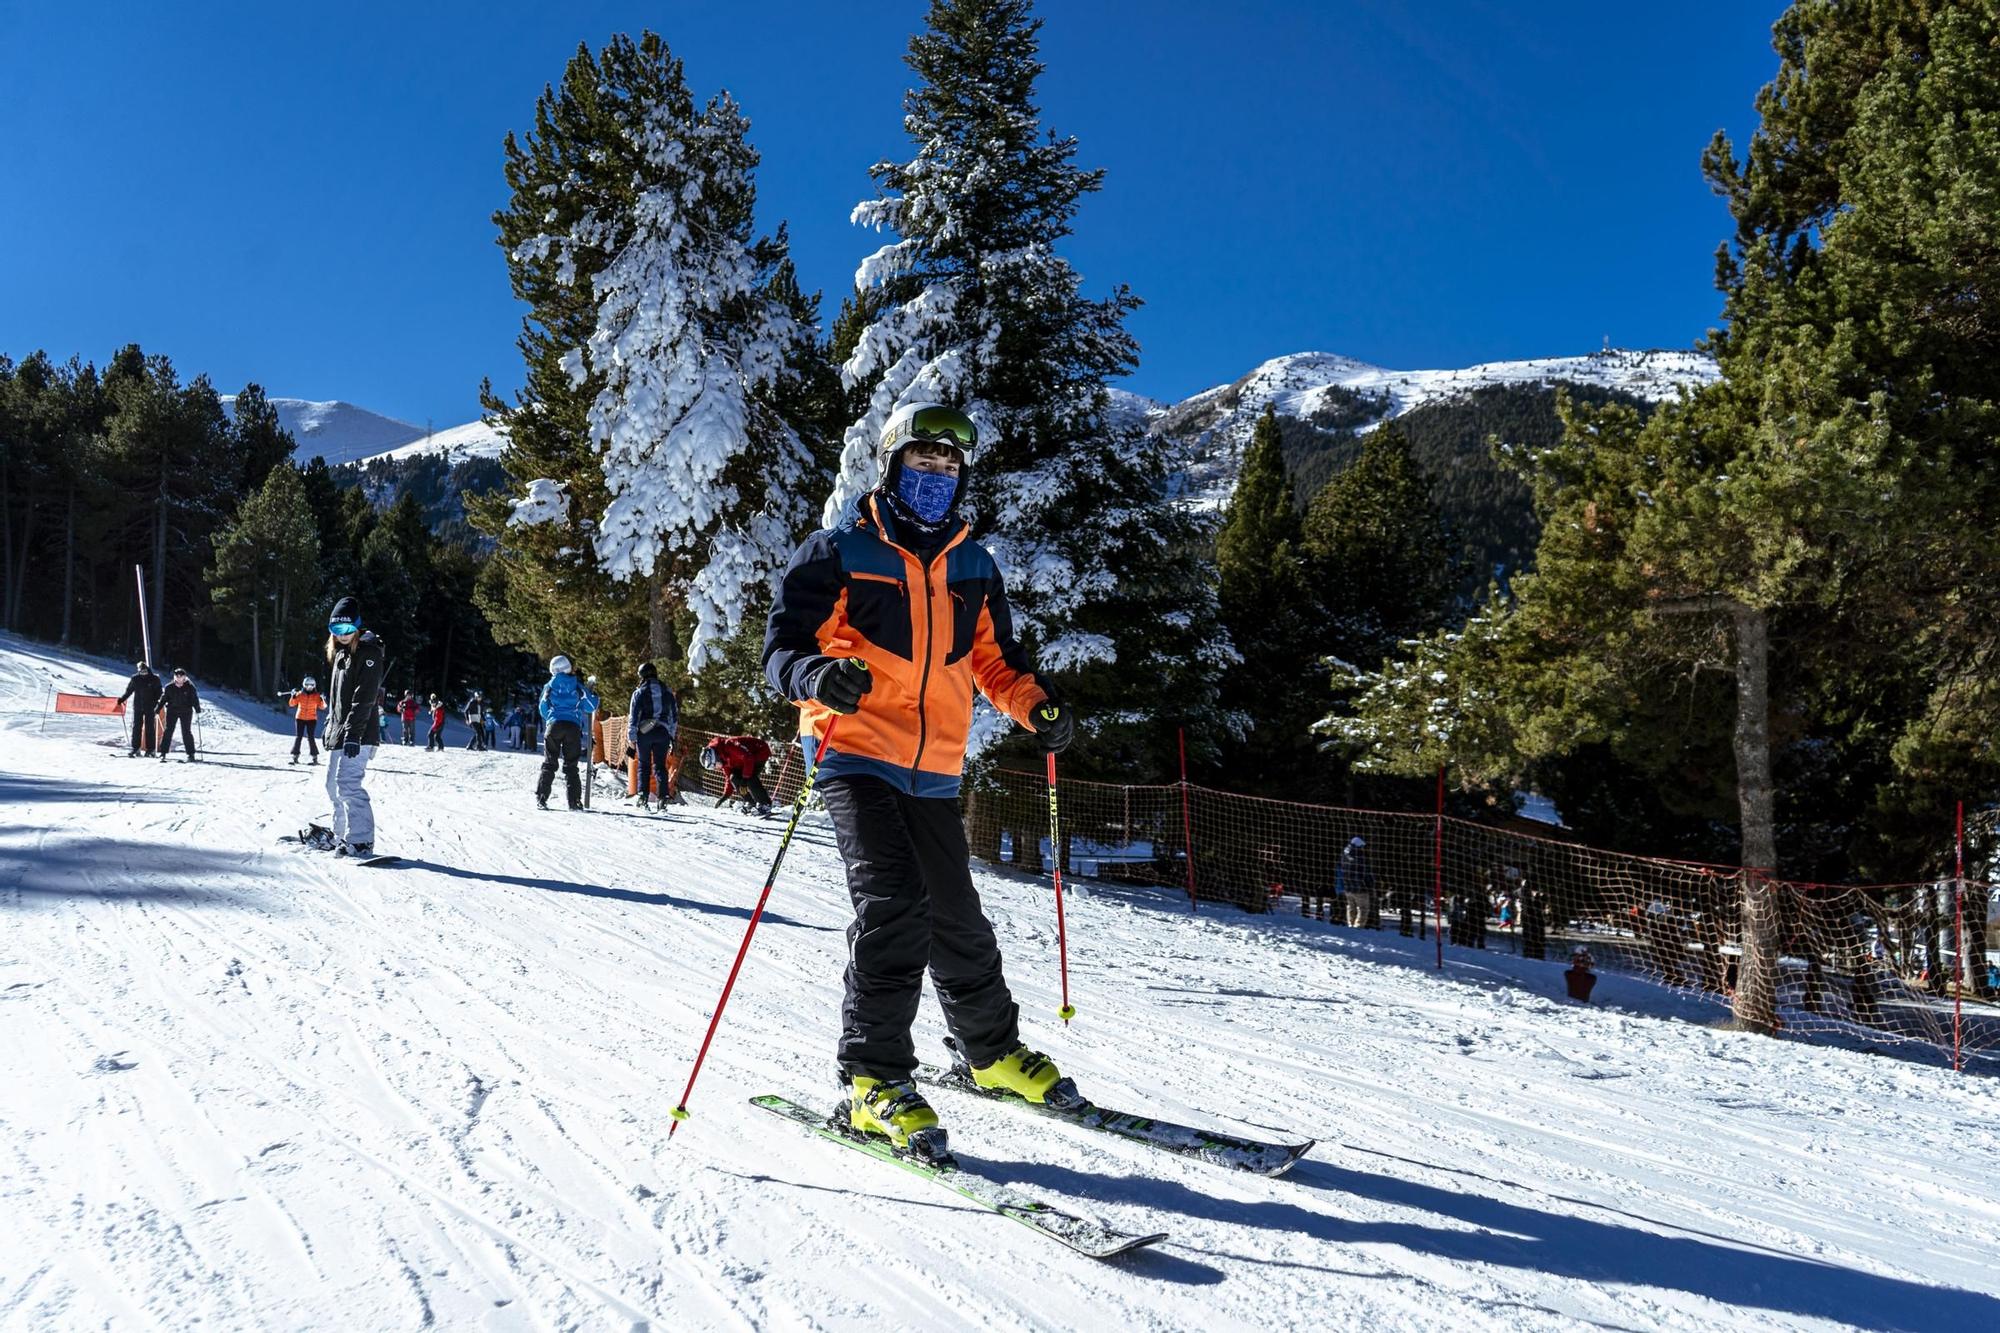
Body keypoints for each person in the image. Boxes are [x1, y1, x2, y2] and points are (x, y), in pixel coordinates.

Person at [764, 400, 1074, 1155]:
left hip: (933, 766)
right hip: (851, 748)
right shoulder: (839, 550)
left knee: (957, 916)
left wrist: (1036, 708)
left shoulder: (974, 564)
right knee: (895, 901)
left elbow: (994, 662)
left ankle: (992, 1053)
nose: (935, 477)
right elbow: (782, 651)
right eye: (922, 462)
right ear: (892, 466)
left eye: (948, 467)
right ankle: (874, 1081)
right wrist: (818, 676)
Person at [320, 596, 386, 857]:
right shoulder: (340, 654)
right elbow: (338, 699)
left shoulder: (368, 652)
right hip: (341, 731)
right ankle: (340, 835)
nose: (343, 635)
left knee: (347, 784)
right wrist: (331, 726)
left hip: (359, 734)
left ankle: (361, 840)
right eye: (337, 630)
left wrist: (352, 735)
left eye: (348, 630)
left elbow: (364, 698)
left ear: (358, 627)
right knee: (331, 785)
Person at [535, 656, 599, 810]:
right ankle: (574, 802)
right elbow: (590, 706)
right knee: (571, 765)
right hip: (572, 727)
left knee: (549, 763)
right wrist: (593, 694)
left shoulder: (549, 686)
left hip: (554, 726)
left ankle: (542, 799)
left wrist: (552, 715)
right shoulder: (577, 685)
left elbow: (543, 708)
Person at [627, 662, 679, 811]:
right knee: (660, 766)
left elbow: (634, 716)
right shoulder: (667, 692)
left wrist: (631, 738)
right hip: (662, 731)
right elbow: (674, 717)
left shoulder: (639, 692)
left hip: (645, 730)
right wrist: (671, 736)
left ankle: (643, 797)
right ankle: (662, 799)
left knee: (644, 765)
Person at [701, 734, 773, 816]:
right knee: (734, 778)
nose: (716, 768)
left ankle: (765, 804)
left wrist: (745, 779)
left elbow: (748, 757)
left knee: (749, 776)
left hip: (760, 751)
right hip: (747, 760)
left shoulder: (729, 745)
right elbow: (729, 778)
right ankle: (750, 802)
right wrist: (725, 795)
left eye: (714, 765)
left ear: (715, 757)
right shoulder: (724, 761)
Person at [117, 661, 163, 757]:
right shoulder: (135, 679)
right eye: (141, 672)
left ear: (148, 670)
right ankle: (135, 748)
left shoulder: (154, 679)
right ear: (138, 671)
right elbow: (129, 691)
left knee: (149, 727)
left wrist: (155, 703)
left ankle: (150, 749)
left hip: (150, 707)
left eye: (145, 671)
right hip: (138, 706)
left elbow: (159, 692)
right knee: (136, 727)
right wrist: (122, 699)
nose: (143, 673)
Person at [159, 667, 202, 762]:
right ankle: (163, 752)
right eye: (177, 676)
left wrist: (197, 709)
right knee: (168, 730)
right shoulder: (169, 687)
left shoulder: (190, 687)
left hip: (186, 711)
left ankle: (191, 754)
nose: (178, 678)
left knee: (186, 732)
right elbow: (164, 699)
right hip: (172, 710)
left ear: (184, 677)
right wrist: (157, 709)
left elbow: (194, 699)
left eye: (181, 676)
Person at [1338, 837, 1376, 928]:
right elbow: (1365, 873)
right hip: (1360, 887)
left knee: (1351, 907)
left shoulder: (1344, 855)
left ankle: (1350, 924)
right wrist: (1370, 884)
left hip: (1347, 886)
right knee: (1363, 908)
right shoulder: (1360, 857)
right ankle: (1358, 926)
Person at [288, 676, 324, 764]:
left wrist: (322, 699)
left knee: (311, 737)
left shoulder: (316, 696)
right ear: (304, 685)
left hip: (311, 719)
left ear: (314, 686)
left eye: (312, 685)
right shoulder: (300, 694)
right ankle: (295, 756)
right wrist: (293, 696)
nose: (309, 687)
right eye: (307, 685)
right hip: (300, 718)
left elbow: (322, 707)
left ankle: (314, 757)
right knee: (298, 737)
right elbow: (292, 704)